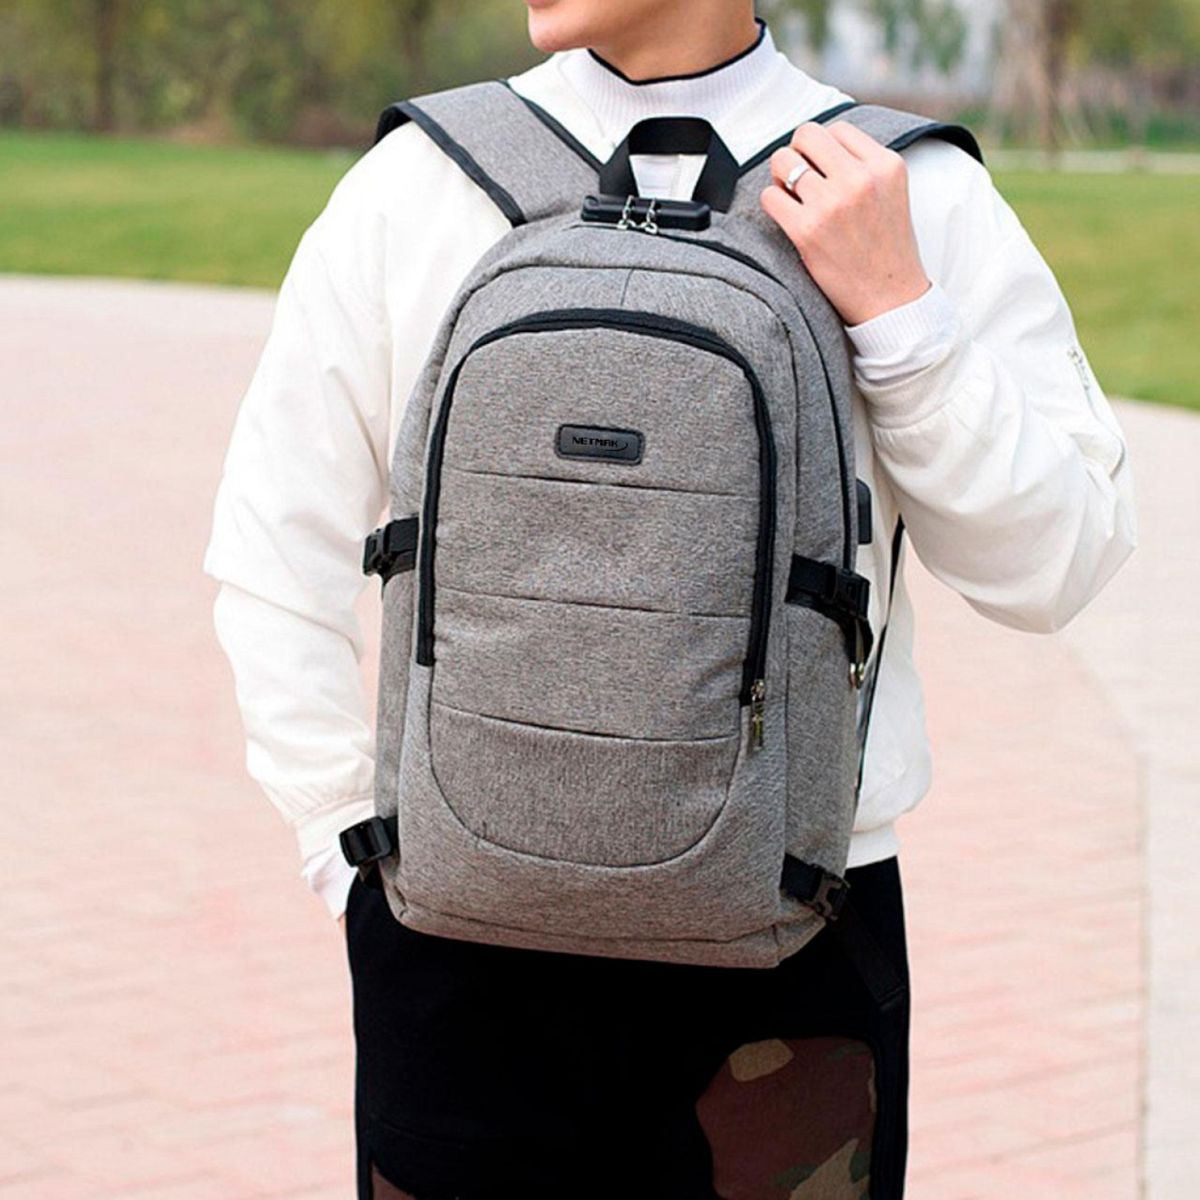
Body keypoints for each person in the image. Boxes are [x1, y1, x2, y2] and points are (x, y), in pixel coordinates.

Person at [202, 2, 1137, 1196]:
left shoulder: (906, 193)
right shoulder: (416, 182)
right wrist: (349, 852)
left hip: (794, 946)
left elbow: (1058, 562)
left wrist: (904, 316)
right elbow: (274, 542)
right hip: (454, 949)